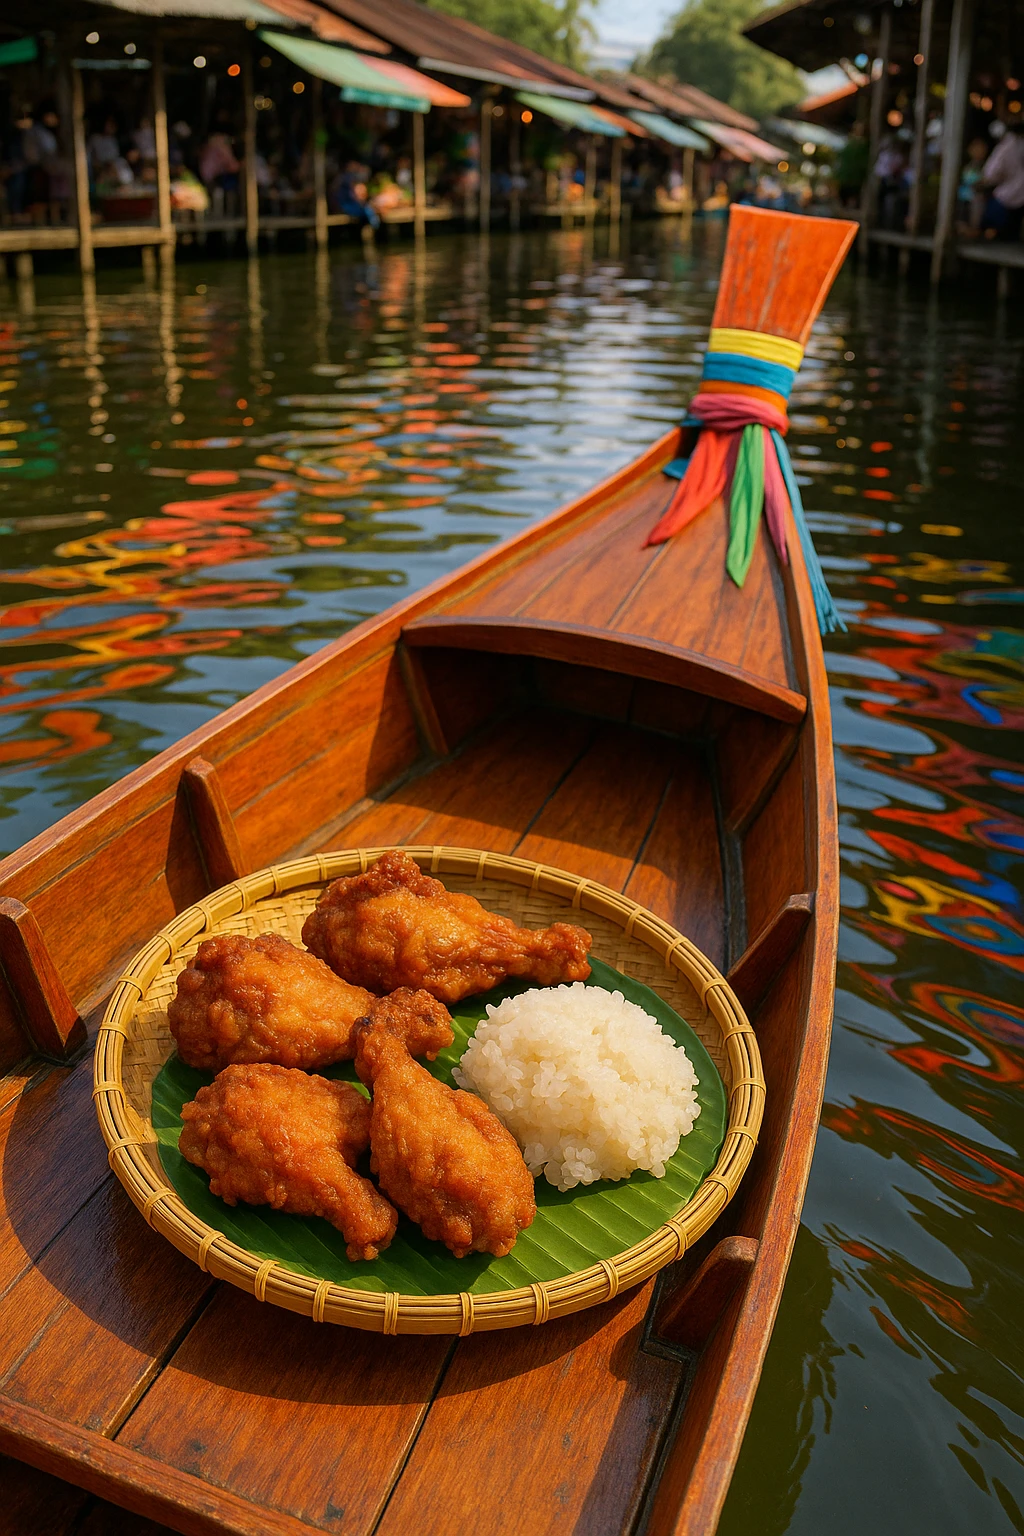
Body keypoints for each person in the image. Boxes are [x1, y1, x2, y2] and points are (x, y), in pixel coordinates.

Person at [980, 121, 1024, 241]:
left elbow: (990, 173)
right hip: (1018, 196)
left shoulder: (1005, 147)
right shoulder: (1019, 144)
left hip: (1008, 195)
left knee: (994, 227)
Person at [836, 121, 868, 208]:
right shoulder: (848, 143)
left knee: (852, 199)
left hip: (856, 178)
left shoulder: (864, 145)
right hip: (845, 176)